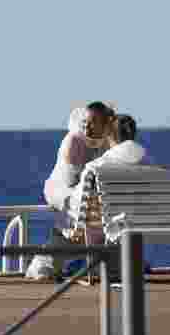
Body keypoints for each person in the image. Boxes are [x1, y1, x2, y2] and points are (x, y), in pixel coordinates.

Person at [25, 102, 115, 281]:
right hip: (63, 191)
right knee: (81, 209)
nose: (87, 126)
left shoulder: (110, 142)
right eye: (85, 122)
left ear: (105, 125)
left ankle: (90, 260)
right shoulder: (74, 141)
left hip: (90, 200)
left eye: (93, 122)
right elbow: (71, 182)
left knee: (91, 208)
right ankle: (69, 259)